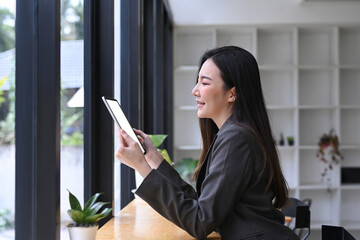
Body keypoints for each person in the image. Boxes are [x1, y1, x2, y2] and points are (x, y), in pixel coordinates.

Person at [115, 46, 299, 240]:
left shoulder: (236, 138)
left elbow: (199, 222)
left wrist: (141, 167)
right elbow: (203, 206)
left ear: (232, 94)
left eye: (204, 83)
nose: (195, 90)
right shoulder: (235, 133)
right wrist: (153, 158)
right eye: (197, 82)